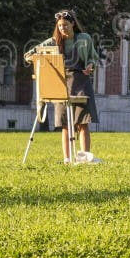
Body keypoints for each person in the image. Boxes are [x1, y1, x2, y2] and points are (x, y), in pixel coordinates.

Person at [26, 9, 99, 163]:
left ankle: (85, 157)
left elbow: (93, 57)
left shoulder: (84, 38)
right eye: (59, 26)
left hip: (81, 82)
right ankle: (67, 159)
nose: (62, 28)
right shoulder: (53, 41)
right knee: (65, 124)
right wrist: (36, 59)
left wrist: (90, 65)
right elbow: (29, 55)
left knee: (83, 122)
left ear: (73, 23)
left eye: (65, 25)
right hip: (61, 83)